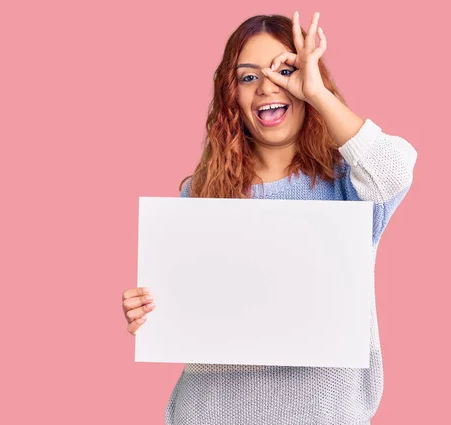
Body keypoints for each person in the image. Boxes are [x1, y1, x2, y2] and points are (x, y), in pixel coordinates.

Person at [122, 11, 418, 425]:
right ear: (233, 96)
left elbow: (395, 169)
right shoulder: (200, 194)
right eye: (248, 77)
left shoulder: (349, 187)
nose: (266, 87)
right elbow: (192, 315)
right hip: (209, 413)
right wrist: (150, 314)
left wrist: (315, 91)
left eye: (285, 70)